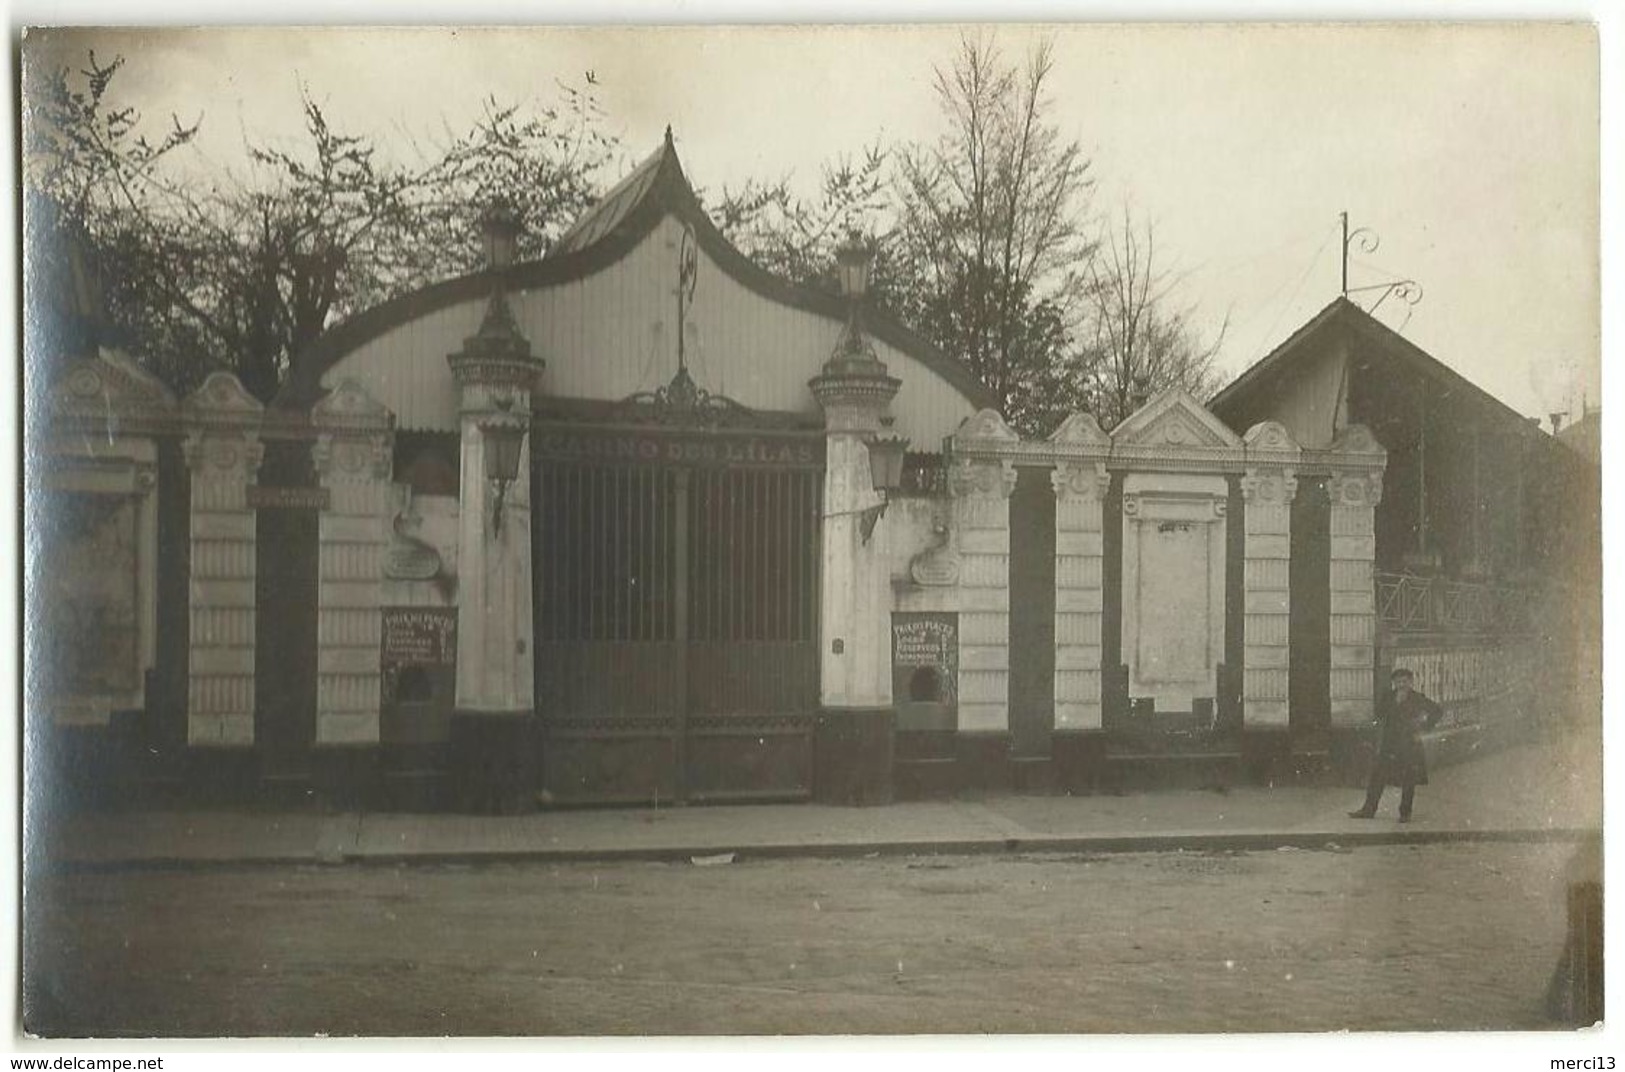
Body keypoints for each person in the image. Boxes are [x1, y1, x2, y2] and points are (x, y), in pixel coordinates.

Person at [1348, 667, 1443, 822]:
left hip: (1409, 743)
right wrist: (1393, 703)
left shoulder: (1417, 698)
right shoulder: (1389, 697)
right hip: (1390, 744)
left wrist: (1424, 727)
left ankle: (1405, 813)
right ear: (1394, 683)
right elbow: (1379, 714)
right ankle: (1368, 810)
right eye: (1398, 682)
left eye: (1404, 682)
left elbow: (1437, 711)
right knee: (1377, 777)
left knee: (1408, 781)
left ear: (1411, 682)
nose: (1401, 685)